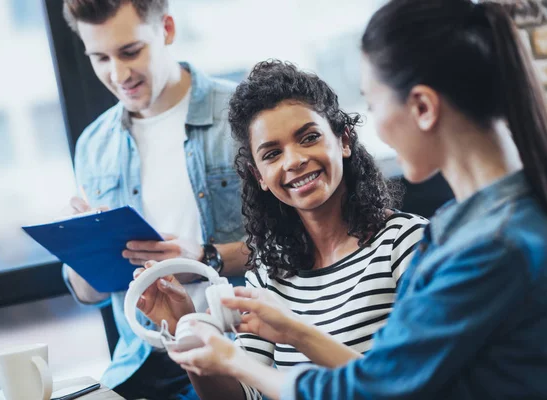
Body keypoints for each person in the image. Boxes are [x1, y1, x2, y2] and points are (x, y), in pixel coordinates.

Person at [164, 0, 547, 399]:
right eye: (271, 153)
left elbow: (377, 386)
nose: (379, 128)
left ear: (422, 107)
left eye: (373, 104)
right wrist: (284, 330)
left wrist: (234, 359)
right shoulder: (475, 223)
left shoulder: (488, 246)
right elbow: (390, 370)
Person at [134, 60, 427, 400]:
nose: (293, 161)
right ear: (259, 177)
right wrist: (186, 329)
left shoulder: (408, 243)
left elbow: (410, 385)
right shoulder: (267, 273)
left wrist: (296, 331)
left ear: (343, 140)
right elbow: (246, 396)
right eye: (272, 153)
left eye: (309, 137)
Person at [61, 1, 247, 399]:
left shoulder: (242, 116)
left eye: (130, 52)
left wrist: (203, 259)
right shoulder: (94, 145)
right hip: (139, 363)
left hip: (239, 349)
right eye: (100, 58)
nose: (118, 74)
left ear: (166, 29)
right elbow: (90, 292)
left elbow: (301, 246)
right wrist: (84, 252)